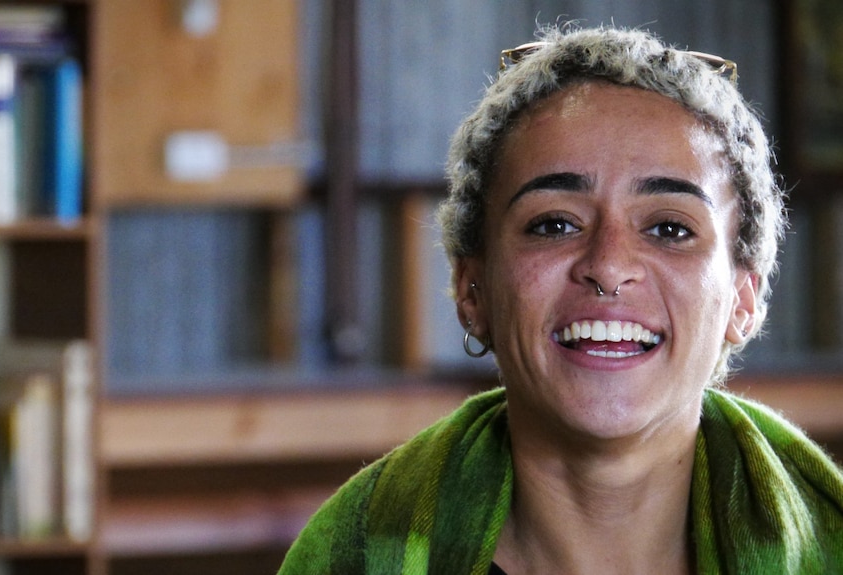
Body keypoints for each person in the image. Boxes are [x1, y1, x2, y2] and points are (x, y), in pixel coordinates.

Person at [279, 24, 843, 574]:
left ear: (744, 297)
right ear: (471, 289)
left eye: (670, 228)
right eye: (553, 224)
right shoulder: (356, 557)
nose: (608, 266)